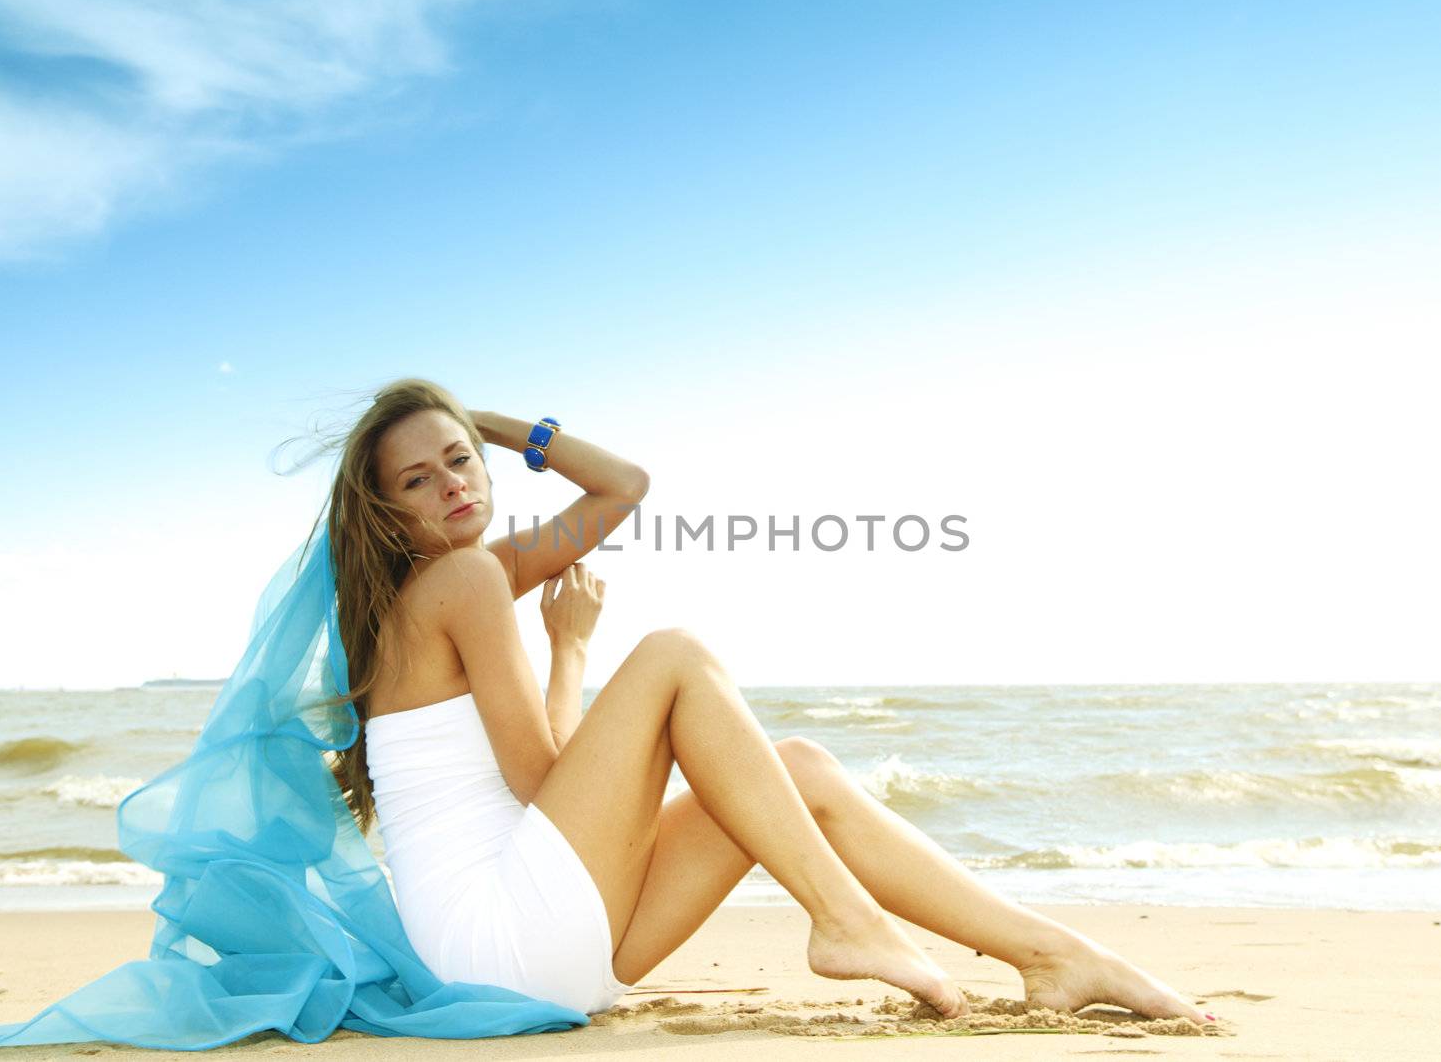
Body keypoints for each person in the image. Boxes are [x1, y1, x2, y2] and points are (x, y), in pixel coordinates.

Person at [329, 377, 1215, 1027]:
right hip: (507, 939)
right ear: (385, 514)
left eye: (461, 459)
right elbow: (542, 781)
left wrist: (485, 419)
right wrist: (573, 651)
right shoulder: (468, 578)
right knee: (675, 654)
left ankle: (1053, 954)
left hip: (534, 950)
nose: (453, 483)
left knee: (798, 770)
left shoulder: (451, 585)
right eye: (418, 480)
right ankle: (845, 919)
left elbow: (625, 487)